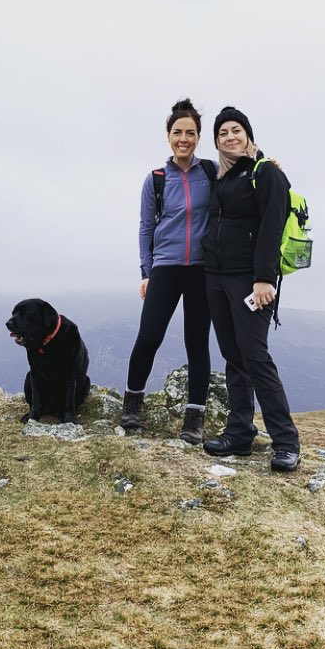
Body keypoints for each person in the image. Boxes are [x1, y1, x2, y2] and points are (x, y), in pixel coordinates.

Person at [200, 106, 302, 471]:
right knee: (234, 357)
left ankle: (286, 442)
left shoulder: (266, 172)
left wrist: (263, 278)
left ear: (248, 134)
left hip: (250, 280)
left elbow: (273, 226)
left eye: (235, 130)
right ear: (216, 141)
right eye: (222, 133)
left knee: (256, 358)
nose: (230, 137)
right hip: (216, 276)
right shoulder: (222, 178)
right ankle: (240, 433)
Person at [121, 99, 215, 443]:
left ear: (199, 137)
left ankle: (195, 417)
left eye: (190, 133)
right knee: (149, 337)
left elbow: (245, 177)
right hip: (165, 267)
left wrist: (268, 161)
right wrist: (146, 271)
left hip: (201, 270)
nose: (184, 138)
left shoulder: (211, 173)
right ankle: (132, 403)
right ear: (168, 136)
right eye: (178, 132)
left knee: (197, 343)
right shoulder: (156, 180)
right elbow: (146, 228)